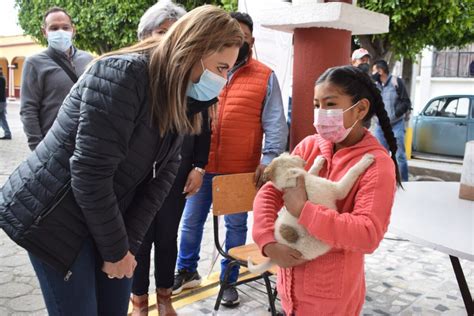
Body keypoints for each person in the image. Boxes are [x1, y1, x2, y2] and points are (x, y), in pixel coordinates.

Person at [0, 5, 243, 316]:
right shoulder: (124, 74)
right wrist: (116, 251)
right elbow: (90, 173)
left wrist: (125, 247)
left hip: (102, 213)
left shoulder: (185, 96)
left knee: (114, 306)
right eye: (221, 67)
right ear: (193, 50)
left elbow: (162, 179)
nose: (222, 79)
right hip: (54, 217)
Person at [252, 65, 401, 315]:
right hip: (290, 288)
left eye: (330, 104)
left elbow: (367, 233)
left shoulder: (376, 164)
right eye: (316, 104)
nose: (321, 113)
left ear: (361, 109)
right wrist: (267, 242)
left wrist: (304, 210)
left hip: (332, 298)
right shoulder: (309, 147)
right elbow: (269, 193)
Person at [174, 12, 288, 307]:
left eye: (243, 38)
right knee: (190, 222)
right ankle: (186, 270)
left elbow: (275, 122)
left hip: (240, 169)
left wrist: (269, 157)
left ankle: (229, 280)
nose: (237, 41)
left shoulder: (265, 76)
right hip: (202, 166)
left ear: (250, 41)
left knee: (235, 228)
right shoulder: (206, 69)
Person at [130, 1, 213, 315]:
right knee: (139, 240)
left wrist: (199, 167)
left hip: (176, 174)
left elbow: (204, 128)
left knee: (167, 237)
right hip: (137, 177)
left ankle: (165, 299)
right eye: (161, 32)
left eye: (174, 33)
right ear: (145, 35)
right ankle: (139, 303)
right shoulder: (134, 74)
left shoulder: (191, 78)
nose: (168, 40)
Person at [20, 7, 93, 150]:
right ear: (44, 32)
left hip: (86, 143)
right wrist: (37, 148)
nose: (60, 32)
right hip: (53, 145)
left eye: (65, 27)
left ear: (73, 30)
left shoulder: (88, 59)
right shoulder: (34, 63)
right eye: (54, 28)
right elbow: (28, 109)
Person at [372, 59, 411, 181]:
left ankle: (404, 182)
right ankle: (385, 182)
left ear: (380, 71)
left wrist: (395, 114)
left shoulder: (396, 82)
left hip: (396, 125)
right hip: (380, 127)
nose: (372, 74)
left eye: (374, 71)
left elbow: (406, 102)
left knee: (399, 156)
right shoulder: (376, 86)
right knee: (381, 156)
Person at [0, 67, 11, 140]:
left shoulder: (1, 79)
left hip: (1, 102)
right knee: (2, 118)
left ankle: (7, 133)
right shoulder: (2, 78)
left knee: (2, 118)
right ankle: (7, 133)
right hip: (2, 102)